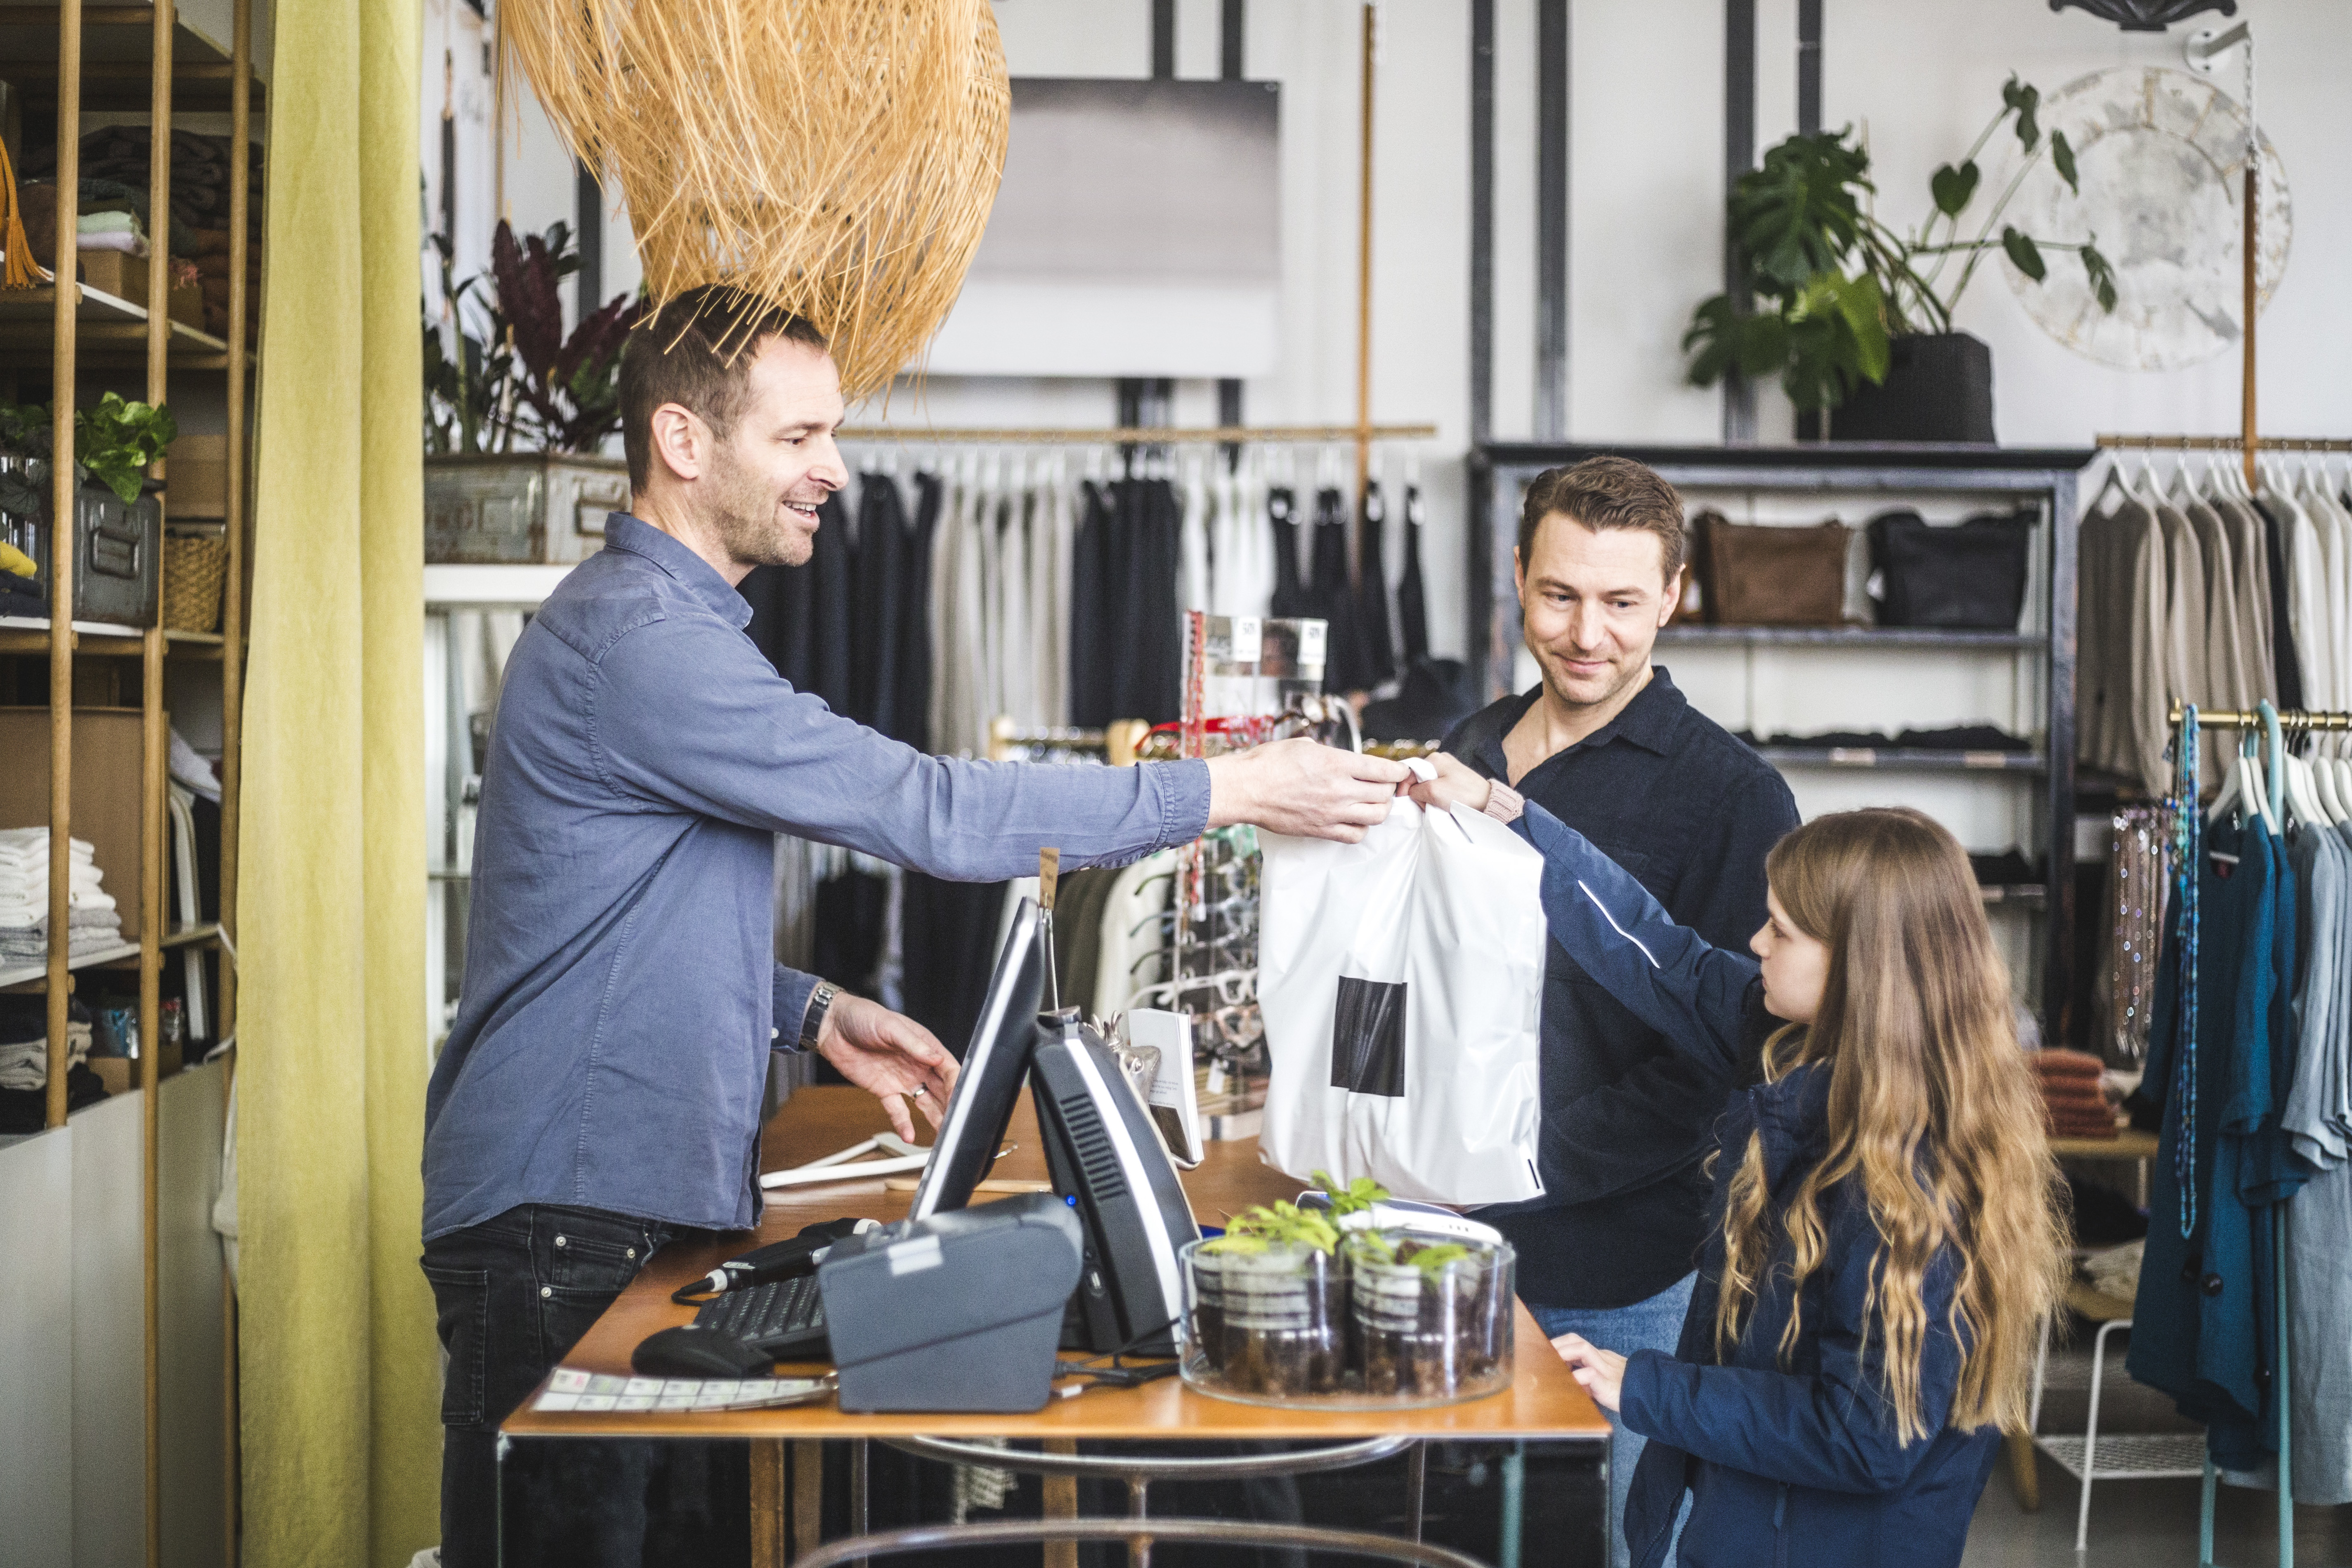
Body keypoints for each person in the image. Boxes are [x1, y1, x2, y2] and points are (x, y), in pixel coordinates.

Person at [419, 286, 1412, 1568]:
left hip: (592, 1205)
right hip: (565, 1216)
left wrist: (814, 1013)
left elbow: (603, 909)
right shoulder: (646, 646)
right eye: (797, 439)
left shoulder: (666, 632)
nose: (833, 468)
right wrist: (1228, 784)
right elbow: (927, 809)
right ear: (681, 441)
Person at [1408, 767, 2067, 1568]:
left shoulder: (1914, 1180)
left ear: (1861, 965)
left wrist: (1645, 1387)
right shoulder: (1801, 1052)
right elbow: (1657, 952)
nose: (1756, 941)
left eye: (1782, 930)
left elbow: (1867, 1438)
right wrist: (1501, 811)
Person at [1436, 455, 1798, 1565]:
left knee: (1622, 1549)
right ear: (1516, 576)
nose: (1585, 632)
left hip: (1624, 1274)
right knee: (1460, 1539)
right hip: (1452, 1248)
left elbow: (1715, 1060)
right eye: (1558, 595)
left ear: (1672, 597)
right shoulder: (1463, 749)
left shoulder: (1731, 795)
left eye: (1620, 602)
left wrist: (1506, 1157)